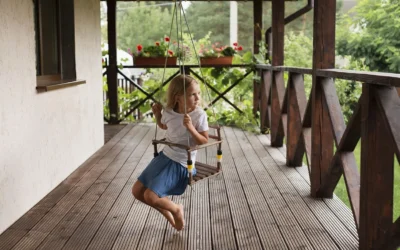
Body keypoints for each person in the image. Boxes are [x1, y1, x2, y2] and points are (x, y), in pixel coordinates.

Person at [131, 74, 209, 231]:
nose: (197, 97)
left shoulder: (199, 115)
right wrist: (158, 116)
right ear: (178, 97)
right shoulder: (169, 112)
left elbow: (204, 141)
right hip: (165, 156)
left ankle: (177, 210)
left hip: (182, 163)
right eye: (192, 94)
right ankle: (170, 214)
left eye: (198, 93)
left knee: (150, 196)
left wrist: (191, 128)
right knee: (137, 191)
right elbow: (165, 126)